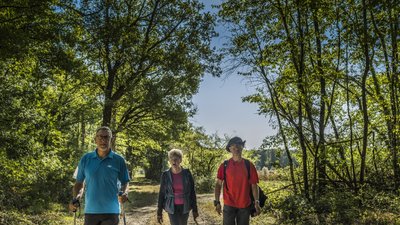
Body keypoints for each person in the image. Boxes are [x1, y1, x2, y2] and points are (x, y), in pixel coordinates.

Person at [69, 126, 130, 225]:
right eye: (100, 137)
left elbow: (125, 181)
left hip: (111, 211)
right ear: (95, 139)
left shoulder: (119, 160)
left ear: (111, 139)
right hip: (91, 211)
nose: (103, 140)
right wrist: (76, 198)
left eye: (106, 137)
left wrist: (125, 193)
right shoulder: (86, 159)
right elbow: (79, 183)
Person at [214, 137, 261, 225]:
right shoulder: (224, 165)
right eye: (233, 146)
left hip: (245, 205)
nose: (236, 147)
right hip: (228, 204)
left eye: (239, 145)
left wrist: (257, 202)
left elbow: (254, 185)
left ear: (242, 147)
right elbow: (218, 184)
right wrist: (217, 202)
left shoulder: (249, 165)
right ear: (230, 148)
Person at [157, 149, 199, 225]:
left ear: (180, 160)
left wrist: (195, 209)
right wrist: (159, 211)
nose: (174, 161)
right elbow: (162, 193)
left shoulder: (187, 173)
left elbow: (192, 192)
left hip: (185, 205)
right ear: (169, 161)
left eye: (176, 159)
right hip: (171, 206)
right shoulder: (165, 175)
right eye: (171, 159)